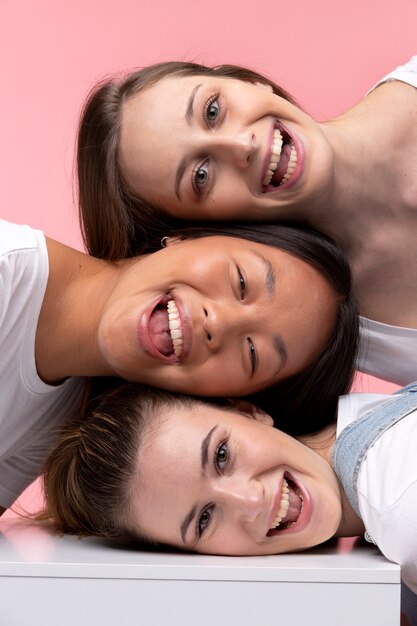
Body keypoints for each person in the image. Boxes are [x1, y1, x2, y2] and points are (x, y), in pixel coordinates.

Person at [76, 55, 417, 386]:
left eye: (213, 110)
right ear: (208, 230)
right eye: (201, 176)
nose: (242, 146)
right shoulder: (324, 329)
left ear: (249, 83)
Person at [0, 218, 358, 516]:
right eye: (241, 282)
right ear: (186, 237)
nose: (218, 322)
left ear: (232, 401)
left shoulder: (59, 415)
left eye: (252, 353)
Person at [40, 379, 417, 595]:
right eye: (203, 519)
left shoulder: (398, 501)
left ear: (247, 411)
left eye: (221, 455)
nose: (252, 500)